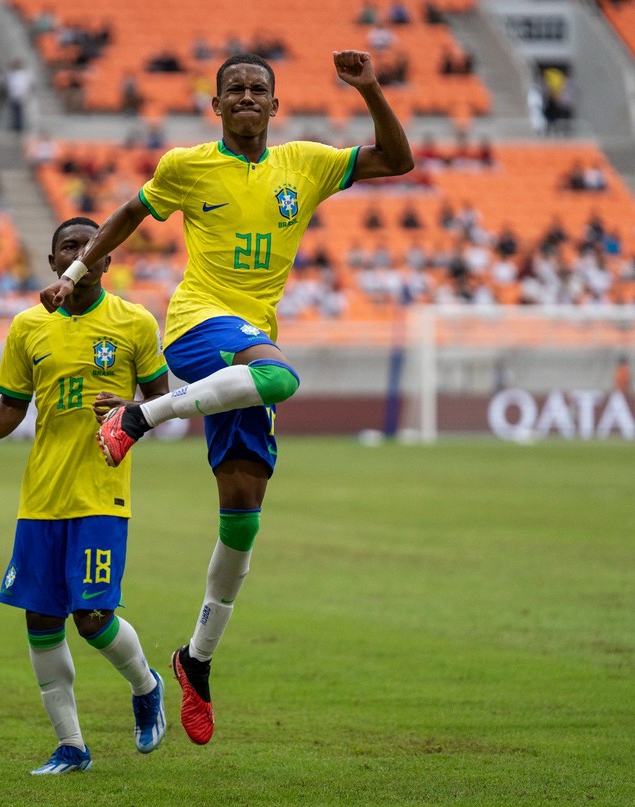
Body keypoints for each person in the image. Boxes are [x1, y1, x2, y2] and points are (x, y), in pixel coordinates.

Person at [38, 50, 413, 745]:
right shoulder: (187, 166)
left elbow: (398, 158)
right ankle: (139, 416)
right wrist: (78, 273)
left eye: (257, 89)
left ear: (275, 105)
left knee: (242, 519)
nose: (245, 96)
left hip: (245, 349)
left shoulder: (306, 164)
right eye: (233, 89)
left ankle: (196, 661)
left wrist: (368, 88)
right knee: (282, 377)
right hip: (198, 327)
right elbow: (125, 214)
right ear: (215, 107)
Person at [0, 218, 170, 774]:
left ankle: (146, 685)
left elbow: (165, 401)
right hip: (41, 497)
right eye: (69, 246)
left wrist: (130, 410)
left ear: (107, 258)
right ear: (53, 262)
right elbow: (10, 410)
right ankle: (71, 746)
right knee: (41, 620)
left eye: (91, 244)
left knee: (91, 616)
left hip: (100, 491)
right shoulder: (27, 326)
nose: (81, 253)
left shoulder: (134, 321)